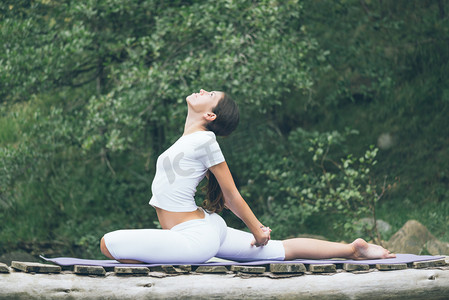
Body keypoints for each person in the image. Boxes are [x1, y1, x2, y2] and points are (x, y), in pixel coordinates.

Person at [100, 89, 396, 264]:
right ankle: (352, 249)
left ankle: (203, 257)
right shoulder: (187, 141)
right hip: (198, 231)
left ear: (210, 116)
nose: (203, 91)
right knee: (280, 250)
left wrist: (257, 229)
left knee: (108, 243)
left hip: (195, 237)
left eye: (210, 95)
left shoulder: (206, 141)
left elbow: (231, 196)